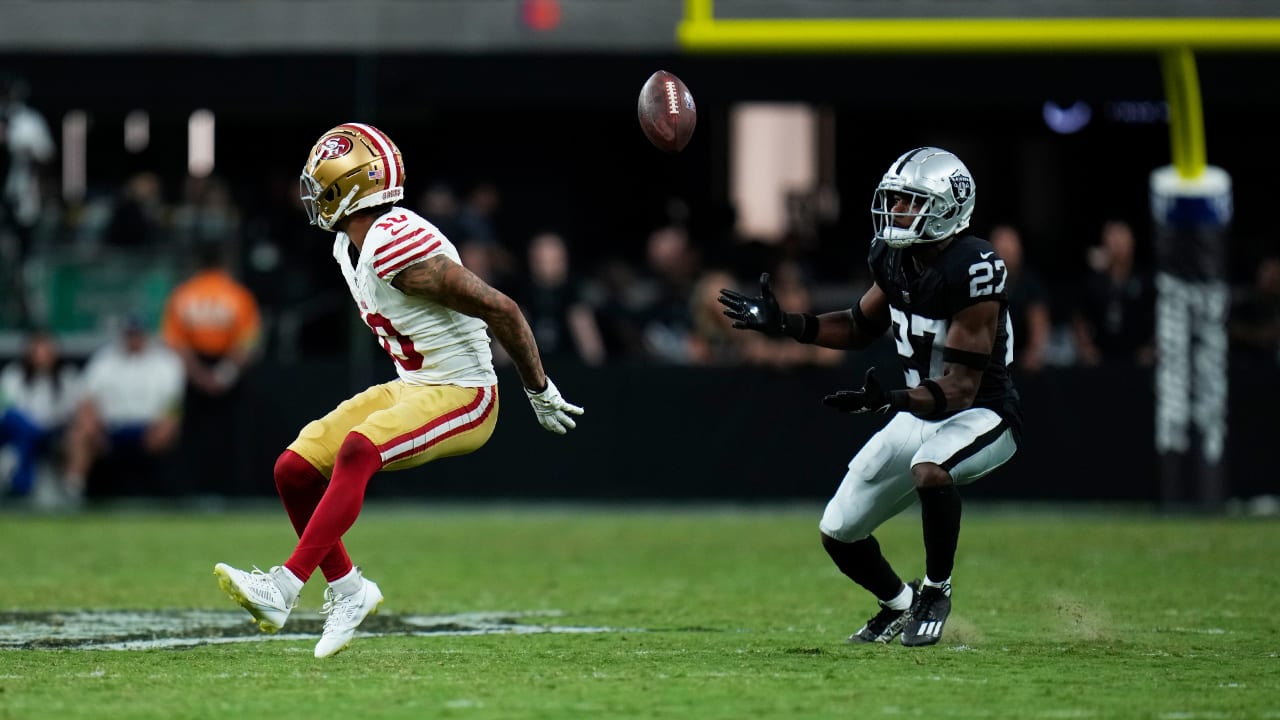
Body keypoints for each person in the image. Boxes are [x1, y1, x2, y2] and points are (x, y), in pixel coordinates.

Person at [212, 122, 584, 659]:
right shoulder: (349, 245)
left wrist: (538, 389)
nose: (313, 194)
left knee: (359, 450)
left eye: (322, 182)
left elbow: (503, 308)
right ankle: (349, 592)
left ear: (352, 186)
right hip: (414, 385)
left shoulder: (397, 248)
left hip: (465, 394)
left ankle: (284, 588)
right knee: (293, 469)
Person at [719, 147, 1021, 647]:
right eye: (896, 199)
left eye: (909, 201)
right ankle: (899, 606)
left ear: (949, 207)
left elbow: (962, 388)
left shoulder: (975, 267)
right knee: (839, 529)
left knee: (931, 468)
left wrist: (895, 400)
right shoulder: (894, 258)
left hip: (982, 412)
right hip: (919, 407)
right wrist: (788, 325)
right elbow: (860, 326)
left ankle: (936, 589)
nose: (896, 211)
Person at [161, 241, 263, 497]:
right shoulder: (237, 294)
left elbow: (176, 344)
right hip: (228, 370)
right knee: (230, 435)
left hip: (194, 370)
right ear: (224, 264)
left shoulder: (183, 294)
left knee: (195, 436)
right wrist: (224, 373)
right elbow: (249, 341)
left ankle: (193, 490)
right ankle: (231, 491)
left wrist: (199, 376)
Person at [63, 316, 185, 505]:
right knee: (80, 433)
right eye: (130, 335)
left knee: (172, 431)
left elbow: (173, 404)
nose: (134, 339)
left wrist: (164, 428)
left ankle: (169, 498)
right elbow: (86, 399)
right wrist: (93, 428)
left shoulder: (165, 362)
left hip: (149, 427)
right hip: (112, 428)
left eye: (137, 335)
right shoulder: (105, 359)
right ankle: (72, 491)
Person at [0, 330, 82, 503]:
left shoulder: (67, 377)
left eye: (47, 351)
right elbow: (8, 411)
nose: (42, 356)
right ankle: (21, 482)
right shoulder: (12, 375)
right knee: (20, 424)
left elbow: (73, 413)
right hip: (16, 432)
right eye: (38, 351)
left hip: (52, 432)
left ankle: (70, 488)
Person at [1071, 220, 1155, 367]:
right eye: (1113, 240)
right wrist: (1085, 347)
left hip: (1138, 358)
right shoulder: (1093, 281)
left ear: (1132, 243)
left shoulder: (1145, 280)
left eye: (1121, 240)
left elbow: (1158, 316)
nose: (1117, 246)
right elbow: (1080, 317)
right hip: (1101, 359)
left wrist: (1152, 348)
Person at [988, 224, 1051, 373]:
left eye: (1011, 246)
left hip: (1023, 360)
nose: (1006, 253)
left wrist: (1035, 351)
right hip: (990, 357)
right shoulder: (983, 284)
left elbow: (1039, 321)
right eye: (1001, 247)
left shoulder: (1031, 284)